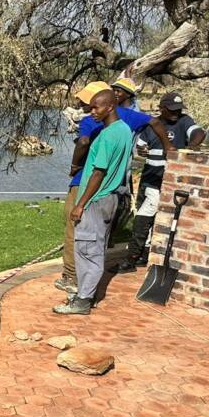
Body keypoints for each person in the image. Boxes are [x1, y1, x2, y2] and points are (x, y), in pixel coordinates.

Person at [54, 82, 173, 296]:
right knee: (99, 236)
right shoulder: (126, 124)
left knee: (78, 233)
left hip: (88, 185)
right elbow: (155, 122)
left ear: (106, 105)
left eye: (91, 104)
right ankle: (89, 282)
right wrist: (169, 148)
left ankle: (73, 279)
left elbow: (85, 147)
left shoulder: (95, 123)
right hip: (115, 189)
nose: (86, 107)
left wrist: (74, 168)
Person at [55, 89, 133, 315]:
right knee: (96, 246)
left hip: (97, 200)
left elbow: (98, 172)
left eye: (97, 107)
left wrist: (81, 204)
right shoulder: (124, 130)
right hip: (111, 199)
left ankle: (83, 301)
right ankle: (85, 293)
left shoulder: (108, 135)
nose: (92, 112)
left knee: (88, 249)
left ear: (110, 106)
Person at [114, 91, 205, 272]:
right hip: (149, 177)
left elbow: (199, 133)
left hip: (165, 182)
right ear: (161, 108)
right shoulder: (151, 125)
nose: (175, 113)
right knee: (144, 215)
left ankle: (131, 259)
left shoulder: (184, 121)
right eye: (171, 110)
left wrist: (190, 147)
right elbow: (140, 146)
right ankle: (144, 254)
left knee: (142, 219)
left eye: (178, 110)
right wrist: (142, 151)